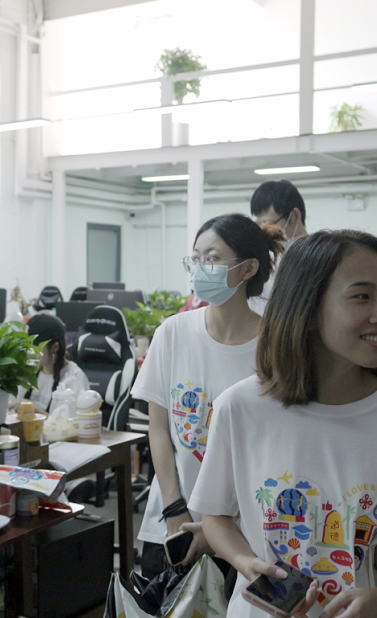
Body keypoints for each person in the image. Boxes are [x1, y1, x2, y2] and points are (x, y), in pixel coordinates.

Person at [191, 230, 377, 618]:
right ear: (307, 305)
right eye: (361, 296)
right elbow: (215, 517)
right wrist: (247, 563)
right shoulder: (240, 408)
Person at [131, 213, 283, 578]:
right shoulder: (173, 333)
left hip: (242, 532)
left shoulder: (276, 346)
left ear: (248, 268)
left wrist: (220, 527)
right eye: (195, 258)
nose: (200, 269)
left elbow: (274, 449)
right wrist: (174, 510)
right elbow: (159, 429)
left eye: (212, 259)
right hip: (172, 524)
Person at [249, 179, 309, 315]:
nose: (265, 230)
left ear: (294, 216)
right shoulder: (269, 258)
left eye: (269, 223)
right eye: (259, 224)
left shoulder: (317, 256)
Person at [17, 313, 89, 412]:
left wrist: (34, 409)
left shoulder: (74, 378)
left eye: (36, 347)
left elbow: (71, 421)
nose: (30, 352)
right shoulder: (29, 373)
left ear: (55, 347)